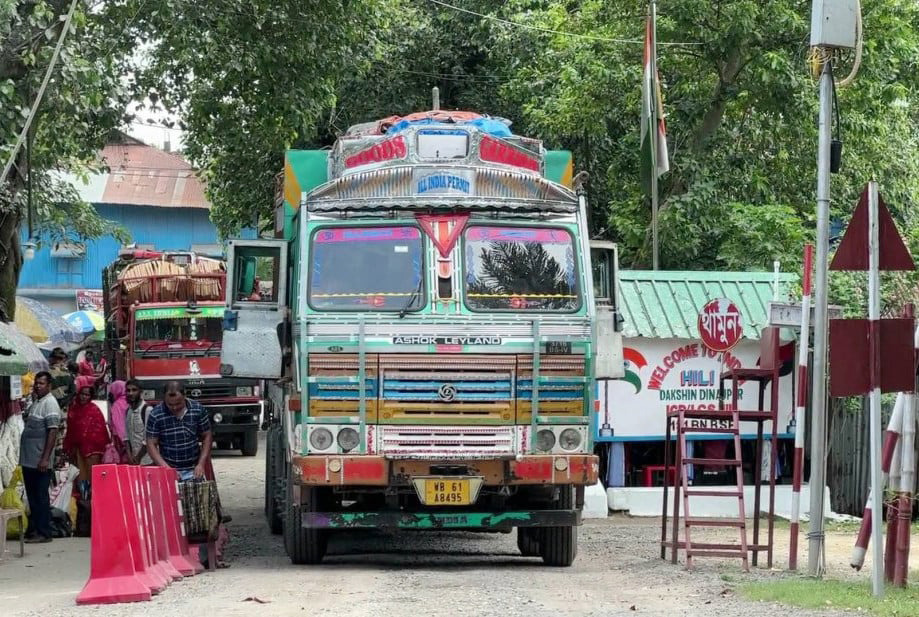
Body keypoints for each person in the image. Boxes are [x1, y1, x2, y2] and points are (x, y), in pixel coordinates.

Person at [19, 371, 61, 543]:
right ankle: (35, 529)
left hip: (39, 461)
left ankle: (44, 532)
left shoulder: (50, 403)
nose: (37, 386)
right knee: (33, 496)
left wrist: (44, 458)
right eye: (36, 383)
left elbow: (53, 432)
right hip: (30, 460)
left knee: (40, 497)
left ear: (49, 386)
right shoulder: (37, 401)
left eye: (41, 383)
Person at [145, 381, 213, 480]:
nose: (174, 407)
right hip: (169, 469)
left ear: (184, 395)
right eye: (170, 404)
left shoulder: (198, 409)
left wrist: (201, 464)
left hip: (194, 469)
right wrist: (167, 469)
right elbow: (151, 444)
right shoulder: (156, 415)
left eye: (178, 403)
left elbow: (207, 436)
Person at [63, 376, 111, 485]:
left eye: (87, 395)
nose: (84, 397)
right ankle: (82, 498)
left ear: (90, 396)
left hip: (93, 450)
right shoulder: (73, 408)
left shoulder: (94, 410)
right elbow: (70, 429)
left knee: (93, 477)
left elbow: (100, 430)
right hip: (77, 450)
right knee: (79, 476)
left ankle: (93, 498)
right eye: (82, 394)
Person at [124, 379, 153, 465]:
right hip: (134, 460)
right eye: (128, 390)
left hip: (148, 461)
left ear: (140, 391)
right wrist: (129, 455)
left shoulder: (147, 410)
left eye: (134, 390)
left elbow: (148, 439)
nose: (131, 393)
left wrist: (138, 457)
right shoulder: (128, 411)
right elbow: (127, 436)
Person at [107, 380, 130, 462]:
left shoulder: (117, 405)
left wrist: (124, 442)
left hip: (121, 441)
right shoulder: (130, 401)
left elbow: (119, 425)